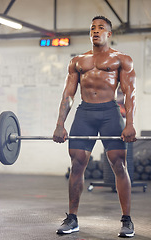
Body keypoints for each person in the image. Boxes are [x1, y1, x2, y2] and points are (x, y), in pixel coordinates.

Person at [53, 15, 136, 238]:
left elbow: (130, 95)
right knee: (77, 164)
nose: (96, 31)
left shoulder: (122, 60)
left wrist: (130, 124)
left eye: (101, 28)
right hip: (85, 113)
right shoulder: (78, 61)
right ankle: (72, 218)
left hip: (110, 112)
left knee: (119, 164)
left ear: (109, 34)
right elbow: (68, 95)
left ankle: (127, 220)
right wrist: (60, 124)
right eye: (93, 28)